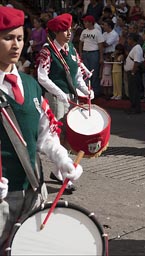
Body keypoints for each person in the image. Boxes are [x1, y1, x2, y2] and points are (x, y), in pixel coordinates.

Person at [0, 6, 83, 250]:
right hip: (4, 196)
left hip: (34, 190)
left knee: (29, 248)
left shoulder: (31, 85)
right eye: (7, 38)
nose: (15, 45)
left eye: (19, 38)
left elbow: (46, 133)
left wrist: (61, 158)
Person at [36, 13, 93, 190]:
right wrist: (60, 93)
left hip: (70, 96)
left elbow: (76, 75)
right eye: (65, 30)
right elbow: (42, 76)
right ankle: (63, 175)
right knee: (56, 135)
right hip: (55, 97)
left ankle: (59, 172)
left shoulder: (72, 50)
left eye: (70, 29)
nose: (69, 33)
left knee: (67, 135)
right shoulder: (47, 50)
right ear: (56, 32)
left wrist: (85, 90)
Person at [79, 15, 104, 97]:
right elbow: (81, 42)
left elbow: (100, 45)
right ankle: (86, 90)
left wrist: (101, 57)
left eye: (86, 22)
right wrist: (80, 53)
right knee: (86, 73)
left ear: (90, 22)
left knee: (94, 73)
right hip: (85, 53)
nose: (84, 23)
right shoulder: (84, 31)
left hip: (94, 53)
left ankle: (95, 91)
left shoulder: (97, 32)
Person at [124, 33, 143, 114]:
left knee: (134, 91)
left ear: (132, 39)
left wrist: (133, 72)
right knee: (132, 90)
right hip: (131, 72)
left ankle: (135, 108)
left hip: (134, 73)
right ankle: (133, 106)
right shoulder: (135, 48)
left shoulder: (137, 48)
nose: (128, 41)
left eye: (129, 39)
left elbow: (137, 61)